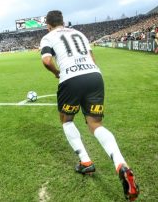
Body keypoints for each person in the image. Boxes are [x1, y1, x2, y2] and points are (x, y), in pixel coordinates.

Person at [40, 10, 139, 201]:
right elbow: (92, 59)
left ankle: (86, 162)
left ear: (48, 25)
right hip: (95, 76)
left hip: (70, 79)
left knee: (67, 120)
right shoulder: (79, 33)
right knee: (95, 124)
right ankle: (121, 164)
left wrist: (57, 73)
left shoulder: (47, 37)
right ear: (63, 21)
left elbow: (46, 60)